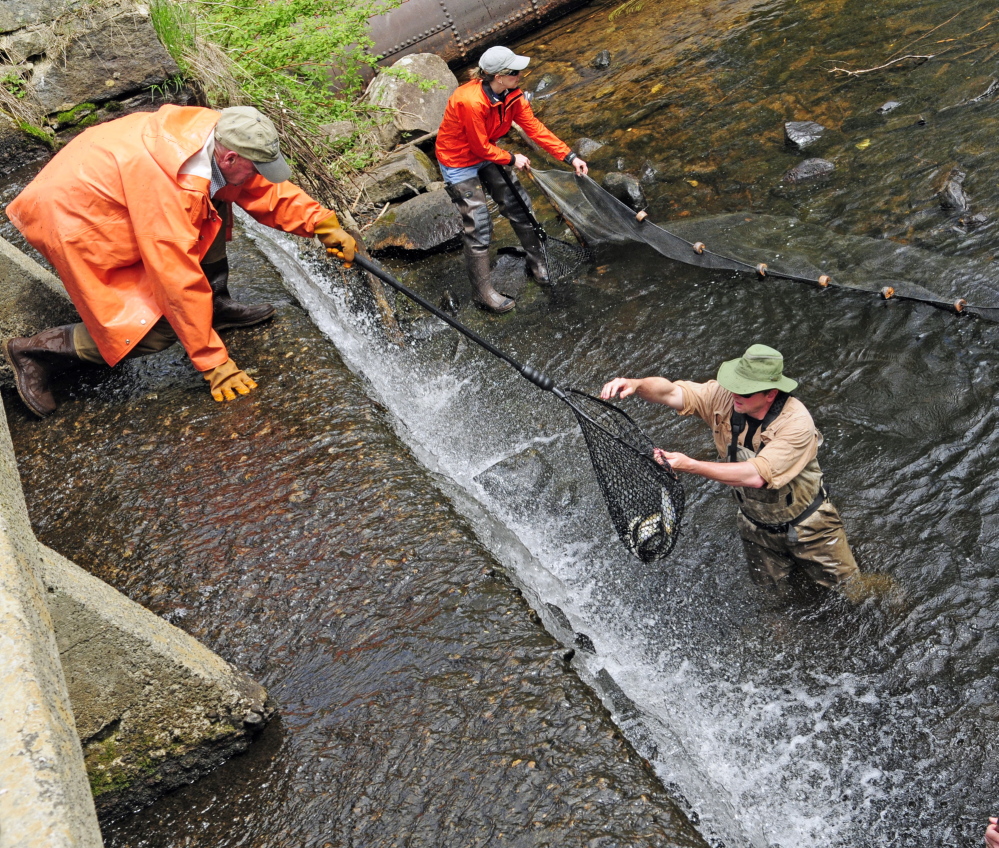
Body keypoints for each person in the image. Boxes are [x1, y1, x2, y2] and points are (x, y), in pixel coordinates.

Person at [4, 104, 356, 417]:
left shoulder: (214, 134)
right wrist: (213, 362)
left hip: (104, 180)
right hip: (75, 219)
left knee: (215, 199)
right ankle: (36, 352)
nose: (258, 175)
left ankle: (214, 305)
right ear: (229, 158)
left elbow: (256, 186)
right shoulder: (171, 190)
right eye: (254, 167)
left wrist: (320, 223)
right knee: (153, 328)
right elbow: (175, 279)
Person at [601, 344, 860, 594]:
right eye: (735, 385)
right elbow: (670, 392)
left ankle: (891, 598)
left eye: (745, 391)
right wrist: (636, 384)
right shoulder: (726, 397)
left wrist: (690, 465)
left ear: (771, 394)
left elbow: (756, 475)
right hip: (755, 524)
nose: (735, 394)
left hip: (809, 525)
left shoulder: (796, 423)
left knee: (852, 591)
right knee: (773, 597)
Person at [435, 45, 588, 313]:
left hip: (488, 150)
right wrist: (511, 158)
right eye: (515, 72)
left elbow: (535, 129)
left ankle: (538, 264)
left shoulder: (512, 96)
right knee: (479, 225)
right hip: (458, 160)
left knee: (520, 206)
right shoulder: (470, 101)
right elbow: (479, 147)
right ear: (499, 76)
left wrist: (570, 156)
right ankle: (484, 293)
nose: (521, 75)